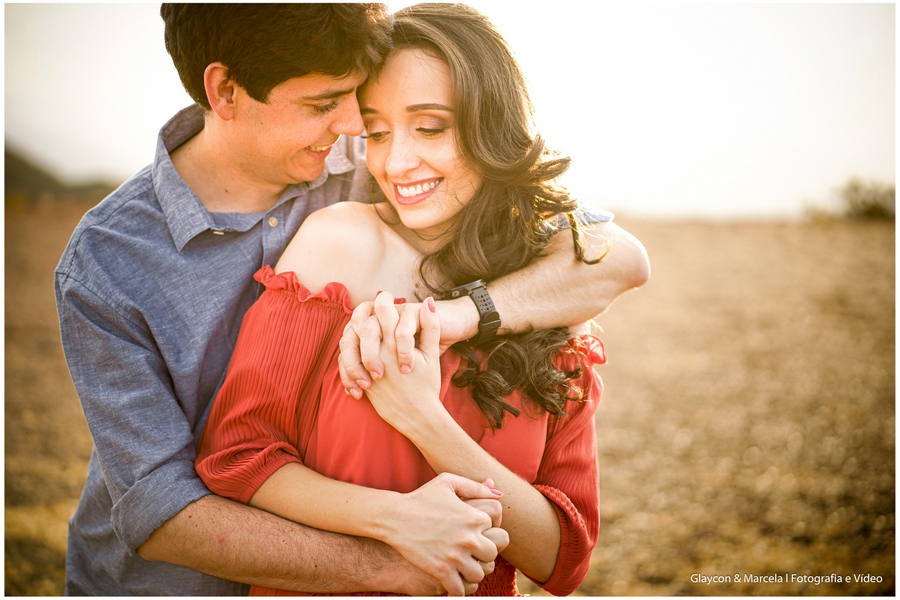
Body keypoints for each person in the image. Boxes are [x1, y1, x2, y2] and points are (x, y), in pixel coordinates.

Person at [55, 3, 649, 596]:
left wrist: (450, 319)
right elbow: (162, 507)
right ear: (226, 91)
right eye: (323, 105)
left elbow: (614, 254)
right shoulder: (107, 263)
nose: (357, 130)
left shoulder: (371, 161)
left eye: (357, 103)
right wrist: (398, 553)